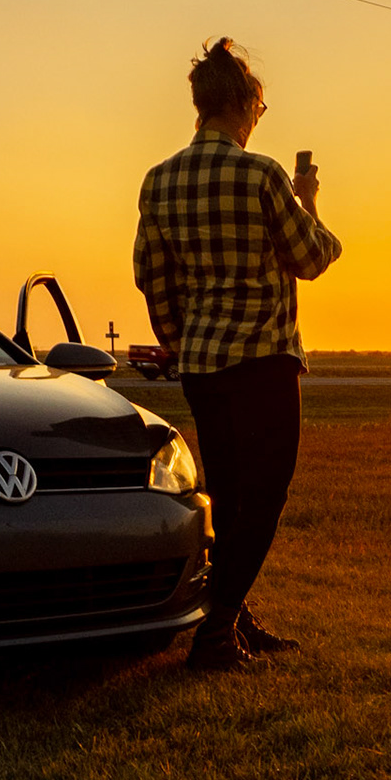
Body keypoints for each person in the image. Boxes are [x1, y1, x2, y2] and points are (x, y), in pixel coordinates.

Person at [133, 38, 343, 669]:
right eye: (261, 107)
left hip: (203, 367)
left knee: (224, 494)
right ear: (247, 104)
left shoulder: (159, 180)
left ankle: (231, 615)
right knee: (265, 494)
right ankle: (217, 629)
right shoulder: (262, 175)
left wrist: (179, 341)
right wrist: (309, 200)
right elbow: (314, 257)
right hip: (265, 363)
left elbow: (152, 274)